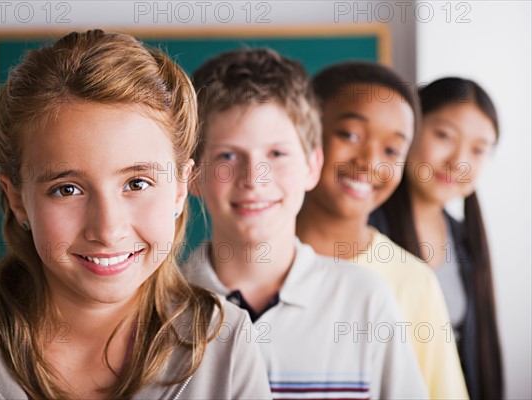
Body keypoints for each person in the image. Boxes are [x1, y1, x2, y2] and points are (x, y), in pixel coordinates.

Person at [0, 30, 271, 399]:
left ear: (178, 188)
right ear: (16, 199)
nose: (108, 230)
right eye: (67, 189)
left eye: (137, 184)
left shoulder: (227, 344)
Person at [182, 48, 428, 399]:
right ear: (192, 176)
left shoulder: (366, 302)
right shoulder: (157, 309)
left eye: (277, 154)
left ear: (312, 166)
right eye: (228, 155)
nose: (254, 178)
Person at [296, 62, 469, 399]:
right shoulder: (254, 263)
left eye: (392, 150)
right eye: (350, 134)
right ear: (305, 133)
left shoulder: (414, 282)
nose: (371, 162)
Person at [369, 77, 503, 399]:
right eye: (444, 135)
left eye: (478, 150)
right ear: (410, 129)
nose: (458, 161)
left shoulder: (465, 240)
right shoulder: (364, 232)